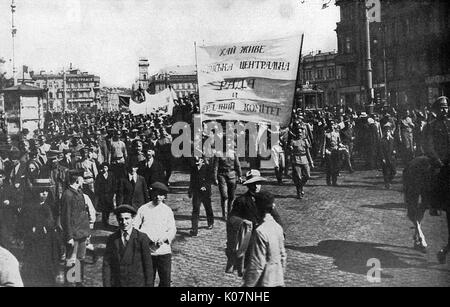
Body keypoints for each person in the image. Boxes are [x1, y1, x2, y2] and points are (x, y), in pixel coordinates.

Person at [17, 179, 60, 287]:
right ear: (36, 193)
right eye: (42, 191)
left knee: (48, 269)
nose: (44, 194)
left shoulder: (50, 206)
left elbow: (54, 223)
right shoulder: (28, 208)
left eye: (46, 191)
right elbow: (22, 224)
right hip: (33, 243)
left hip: (48, 243)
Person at [133, 182, 176, 287]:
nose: (157, 197)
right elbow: (134, 227)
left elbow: (172, 229)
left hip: (164, 251)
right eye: (155, 194)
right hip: (148, 252)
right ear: (151, 194)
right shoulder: (143, 209)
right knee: (147, 281)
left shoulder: (167, 210)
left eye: (161, 195)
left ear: (164, 197)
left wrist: (164, 239)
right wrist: (146, 239)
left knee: (165, 282)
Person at [102, 205, 154, 287]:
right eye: (120, 219)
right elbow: (107, 264)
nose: (124, 222)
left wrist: (149, 285)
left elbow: (148, 265)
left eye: (127, 218)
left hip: (137, 283)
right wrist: (106, 284)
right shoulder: (112, 239)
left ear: (133, 219)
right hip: (117, 283)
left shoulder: (141, 238)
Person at [242, 191, 286, 287]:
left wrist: (247, 285)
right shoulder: (277, 227)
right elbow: (283, 256)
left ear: (258, 208)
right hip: (278, 281)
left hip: (263, 282)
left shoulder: (260, 231)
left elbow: (257, 264)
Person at [60, 170, 91, 287]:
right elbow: (65, 217)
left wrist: (87, 233)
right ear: (77, 179)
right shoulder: (67, 195)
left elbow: (83, 214)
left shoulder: (79, 192)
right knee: (71, 260)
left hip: (82, 233)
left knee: (80, 259)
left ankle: (78, 282)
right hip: (73, 235)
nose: (83, 180)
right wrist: (69, 236)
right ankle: (69, 283)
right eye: (82, 178)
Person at [213, 147, 243, 219]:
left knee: (231, 197)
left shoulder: (233, 153)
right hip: (222, 175)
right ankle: (224, 214)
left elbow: (237, 165)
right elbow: (215, 167)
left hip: (232, 176)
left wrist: (240, 176)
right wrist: (215, 178)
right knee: (224, 195)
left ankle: (230, 213)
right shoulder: (218, 154)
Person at [188, 155, 214, 236]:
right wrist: (190, 190)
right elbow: (192, 180)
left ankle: (210, 222)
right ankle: (194, 229)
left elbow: (210, 179)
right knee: (195, 209)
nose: (196, 160)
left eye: (198, 159)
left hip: (205, 192)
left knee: (208, 207)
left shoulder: (208, 167)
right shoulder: (193, 168)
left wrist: (205, 186)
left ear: (202, 160)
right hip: (197, 192)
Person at [289, 126, 314, 199]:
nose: (300, 134)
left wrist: (311, 161)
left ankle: (301, 187)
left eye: (301, 132)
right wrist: (291, 149)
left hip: (304, 159)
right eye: (298, 132)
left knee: (307, 176)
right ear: (296, 133)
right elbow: (290, 153)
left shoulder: (305, 141)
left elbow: (308, 152)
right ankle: (299, 192)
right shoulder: (293, 141)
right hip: (296, 160)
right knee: (298, 177)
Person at [94, 163, 117, 228]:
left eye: (106, 167)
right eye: (103, 168)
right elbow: (97, 185)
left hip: (110, 195)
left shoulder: (111, 175)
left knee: (108, 209)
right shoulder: (99, 175)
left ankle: (107, 219)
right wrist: (98, 194)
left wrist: (114, 192)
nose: (104, 169)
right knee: (104, 209)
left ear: (108, 168)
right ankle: (105, 222)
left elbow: (114, 183)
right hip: (102, 195)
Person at [378, 123, 397, 189]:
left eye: (388, 131)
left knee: (394, 171)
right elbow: (380, 150)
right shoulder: (382, 140)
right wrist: (382, 158)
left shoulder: (392, 139)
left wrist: (394, 150)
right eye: (386, 131)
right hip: (385, 158)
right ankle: (387, 183)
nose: (387, 132)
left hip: (391, 158)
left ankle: (389, 180)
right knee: (385, 171)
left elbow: (394, 146)